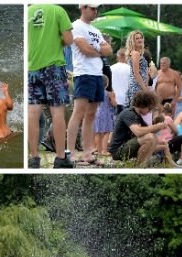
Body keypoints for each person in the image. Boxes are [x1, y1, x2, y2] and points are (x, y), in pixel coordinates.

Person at [27, 3, 74, 168]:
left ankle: (33, 158)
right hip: (54, 67)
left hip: (32, 68)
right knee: (57, 111)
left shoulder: (28, 11)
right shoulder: (58, 10)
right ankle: (60, 158)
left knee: (33, 112)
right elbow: (69, 39)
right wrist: (56, 43)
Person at [66, 3, 112, 166]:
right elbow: (85, 49)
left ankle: (87, 152)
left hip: (97, 74)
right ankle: (70, 152)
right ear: (82, 8)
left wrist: (97, 48)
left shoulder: (95, 30)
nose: (95, 12)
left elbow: (109, 50)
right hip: (83, 74)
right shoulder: (75, 26)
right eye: (92, 9)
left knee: (91, 115)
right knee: (78, 113)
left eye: (96, 9)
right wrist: (99, 49)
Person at [108, 90, 166, 166]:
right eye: (149, 109)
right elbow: (138, 132)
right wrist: (157, 126)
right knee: (150, 138)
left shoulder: (137, 116)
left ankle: (143, 164)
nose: (150, 112)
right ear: (143, 104)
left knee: (154, 139)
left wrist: (159, 127)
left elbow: (148, 131)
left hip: (125, 147)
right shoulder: (129, 113)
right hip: (118, 151)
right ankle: (139, 166)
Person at [124, 31, 149, 108]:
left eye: (141, 38)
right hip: (137, 86)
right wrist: (145, 88)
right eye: (136, 38)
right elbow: (136, 73)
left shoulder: (138, 53)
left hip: (139, 85)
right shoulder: (135, 53)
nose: (139, 40)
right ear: (132, 41)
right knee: (137, 110)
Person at [109, 48, 130, 114]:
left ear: (118, 57)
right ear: (127, 57)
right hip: (126, 100)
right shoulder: (130, 69)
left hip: (112, 100)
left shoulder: (110, 68)